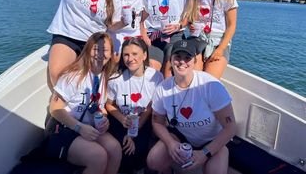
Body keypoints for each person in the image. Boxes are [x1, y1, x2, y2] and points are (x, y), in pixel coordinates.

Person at [146, 39, 236, 174]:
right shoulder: (163, 89)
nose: (182, 62)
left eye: (187, 57)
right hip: (180, 136)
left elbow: (230, 127)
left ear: (194, 62)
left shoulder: (211, 85)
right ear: (170, 60)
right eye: (177, 57)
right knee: (153, 161)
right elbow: (157, 122)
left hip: (211, 140)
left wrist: (205, 153)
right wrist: (170, 143)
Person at [47, 32, 122, 174]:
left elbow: (100, 108)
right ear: (88, 50)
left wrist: (104, 119)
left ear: (111, 54)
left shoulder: (105, 78)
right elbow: (54, 108)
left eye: (104, 50)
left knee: (115, 149)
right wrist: (79, 128)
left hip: (89, 127)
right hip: (65, 129)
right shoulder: (74, 75)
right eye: (96, 49)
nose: (100, 54)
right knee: (98, 156)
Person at [106, 37, 163, 173]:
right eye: (126, 54)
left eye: (134, 54)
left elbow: (150, 107)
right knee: (124, 148)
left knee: (139, 147)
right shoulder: (115, 78)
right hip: (121, 120)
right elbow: (109, 105)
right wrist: (123, 119)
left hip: (143, 120)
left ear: (144, 55)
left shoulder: (156, 77)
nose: (130, 58)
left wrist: (133, 131)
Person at [183, 0, 238, 79]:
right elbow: (189, 20)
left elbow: (231, 26)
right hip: (196, 39)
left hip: (217, 42)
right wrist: (190, 25)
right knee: (194, 78)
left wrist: (220, 49)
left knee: (208, 82)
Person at [140, 0, 189, 77]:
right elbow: (142, 19)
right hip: (154, 37)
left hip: (175, 36)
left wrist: (178, 26)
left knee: (169, 73)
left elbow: (188, 17)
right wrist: (144, 35)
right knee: (151, 72)